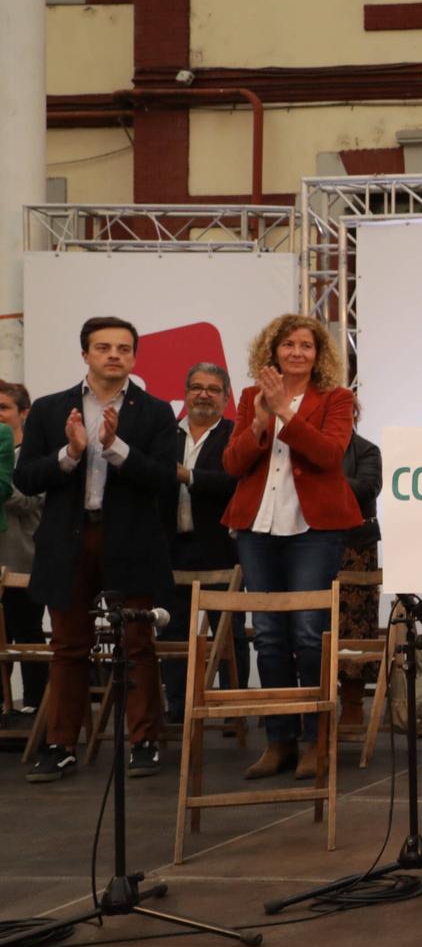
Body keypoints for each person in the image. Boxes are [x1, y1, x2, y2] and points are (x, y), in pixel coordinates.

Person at [14, 317, 178, 782]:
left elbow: (165, 478)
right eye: (103, 347)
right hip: (69, 539)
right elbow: (26, 478)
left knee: (137, 642)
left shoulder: (155, 412)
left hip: (130, 539)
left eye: (123, 348)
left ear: (134, 357)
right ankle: (61, 745)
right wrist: (70, 454)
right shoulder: (50, 409)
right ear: (85, 354)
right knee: (68, 645)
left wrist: (115, 447)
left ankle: (144, 741)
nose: (114, 355)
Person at [222, 313, 362, 782]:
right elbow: (232, 464)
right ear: (273, 352)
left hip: (313, 529)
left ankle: (316, 740)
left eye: (306, 345)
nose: (297, 352)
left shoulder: (337, 398)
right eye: (288, 345)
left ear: (318, 355)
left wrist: (286, 412)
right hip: (257, 528)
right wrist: (260, 422)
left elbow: (328, 455)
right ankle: (279, 740)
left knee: (307, 633)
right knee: (268, 635)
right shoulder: (250, 398)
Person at [162, 362, 249, 724]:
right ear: (185, 393)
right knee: (173, 631)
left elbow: (236, 480)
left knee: (228, 632)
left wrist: (189, 476)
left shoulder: (235, 435)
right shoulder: (165, 434)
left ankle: (232, 709)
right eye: (197, 387)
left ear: (226, 398)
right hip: (171, 547)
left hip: (219, 547)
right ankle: (178, 708)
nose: (203, 395)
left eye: (213, 389)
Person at [0, 382, 44, 724]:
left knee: (26, 634)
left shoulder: (34, 455)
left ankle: (34, 708)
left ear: (23, 412)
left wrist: (3, 488)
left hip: (22, 560)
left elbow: (32, 502)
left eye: (4, 408)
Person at [336, 406, 383, 725]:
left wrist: (321, 480)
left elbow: (367, 488)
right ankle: (311, 698)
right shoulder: (304, 447)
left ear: (355, 414)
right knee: (314, 623)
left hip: (356, 546)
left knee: (356, 623)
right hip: (309, 540)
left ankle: (353, 702)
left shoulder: (367, 449)